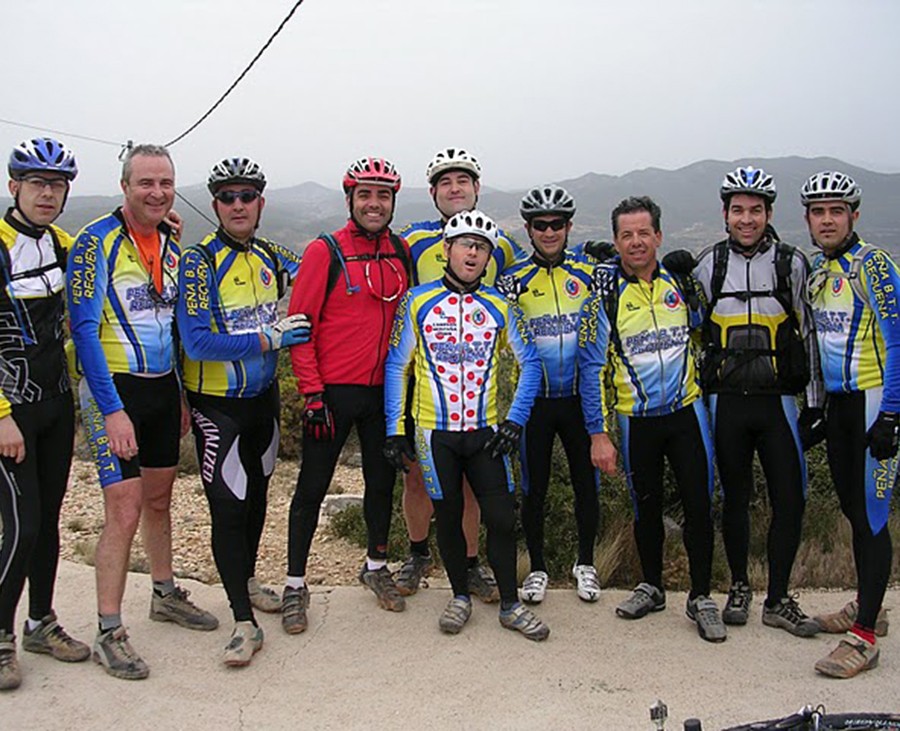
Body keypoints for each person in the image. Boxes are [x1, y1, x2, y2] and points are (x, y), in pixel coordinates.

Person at [67, 144, 218, 681]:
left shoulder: (171, 243)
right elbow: (84, 329)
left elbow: (171, 325)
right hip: (114, 388)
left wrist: (178, 393)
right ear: (125, 186)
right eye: (146, 183)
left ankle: (164, 592)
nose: (157, 193)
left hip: (160, 388)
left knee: (158, 499)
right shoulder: (96, 242)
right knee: (125, 508)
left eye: (165, 183)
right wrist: (112, 410)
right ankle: (109, 630)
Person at [664, 166, 823, 637]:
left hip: (778, 401)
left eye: (755, 210)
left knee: (789, 499)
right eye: (738, 210)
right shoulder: (710, 263)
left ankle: (778, 598)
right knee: (734, 500)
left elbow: (810, 333)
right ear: (725, 214)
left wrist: (815, 405)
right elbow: (689, 324)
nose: (747, 219)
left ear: (769, 213)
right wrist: (677, 279)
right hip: (726, 400)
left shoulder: (791, 263)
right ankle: (738, 587)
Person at [383, 209, 549, 640]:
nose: (473, 253)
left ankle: (511, 605)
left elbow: (531, 364)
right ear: (447, 250)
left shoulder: (500, 305)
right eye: (465, 245)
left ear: (489, 257)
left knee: (502, 519)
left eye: (482, 248)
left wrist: (515, 420)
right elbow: (398, 365)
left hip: (486, 433)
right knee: (449, 516)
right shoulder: (416, 301)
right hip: (433, 433)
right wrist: (394, 429)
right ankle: (459, 596)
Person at [177, 157, 308, 667]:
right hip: (218, 407)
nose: (238, 205)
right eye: (228, 197)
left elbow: (316, 270)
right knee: (229, 510)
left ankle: (249, 582)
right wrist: (269, 338)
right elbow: (197, 342)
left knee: (256, 501)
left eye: (247, 196)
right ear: (215, 205)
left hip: (264, 401)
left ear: (260, 203)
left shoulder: (271, 254)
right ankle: (241, 622)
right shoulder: (199, 262)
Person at [578, 196, 724, 642]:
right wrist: (598, 433)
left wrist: (692, 280)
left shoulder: (679, 282)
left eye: (644, 233)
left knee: (698, 505)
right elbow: (590, 368)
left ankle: (701, 596)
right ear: (615, 240)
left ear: (658, 235)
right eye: (627, 235)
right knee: (646, 508)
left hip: (686, 413)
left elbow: (705, 324)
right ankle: (652, 586)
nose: (636, 242)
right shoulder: (605, 294)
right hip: (636, 418)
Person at [392, 148, 526, 602]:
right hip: (423, 375)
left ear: (476, 188)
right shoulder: (413, 239)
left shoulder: (498, 242)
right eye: (445, 182)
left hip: (472, 383)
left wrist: (594, 256)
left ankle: (469, 564)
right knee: (416, 476)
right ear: (433, 192)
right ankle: (417, 554)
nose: (455, 189)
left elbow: (533, 265)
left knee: (469, 481)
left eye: (462, 181)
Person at [283, 156, 411, 630]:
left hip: (383, 393)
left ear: (393, 201)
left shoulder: (400, 251)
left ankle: (375, 566)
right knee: (311, 488)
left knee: (381, 484)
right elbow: (300, 327)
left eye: (383, 195)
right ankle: (294, 584)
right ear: (350, 199)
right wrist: (312, 394)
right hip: (332, 392)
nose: (374, 204)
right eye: (365, 195)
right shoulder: (325, 251)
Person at [0, 138, 90, 691]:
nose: (48, 194)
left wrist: (162, 225)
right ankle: (1, 636)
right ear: (14, 186)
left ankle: (41, 622)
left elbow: (109, 248)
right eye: (37, 183)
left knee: (49, 521)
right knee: (23, 524)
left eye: (57, 185)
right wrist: (1, 416)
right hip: (10, 412)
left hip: (56, 404)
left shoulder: (62, 243)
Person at [798, 171, 894, 678]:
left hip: (874, 403)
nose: (827, 220)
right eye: (819, 212)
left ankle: (864, 640)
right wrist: (816, 407)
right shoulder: (819, 270)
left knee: (873, 519)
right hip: (838, 407)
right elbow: (817, 345)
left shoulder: (873, 265)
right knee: (854, 512)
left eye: (837, 211)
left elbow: (898, 341)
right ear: (808, 220)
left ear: (853, 215)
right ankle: (868, 606)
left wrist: (892, 415)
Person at [496, 184, 601, 604]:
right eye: (540, 225)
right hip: (535, 402)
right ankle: (537, 568)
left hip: (578, 398)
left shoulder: (589, 273)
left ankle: (586, 563)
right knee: (534, 488)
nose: (549, 231)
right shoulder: (513, 281)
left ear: (569, 226)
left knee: (585, 484)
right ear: (528, 229)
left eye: (557, 224)